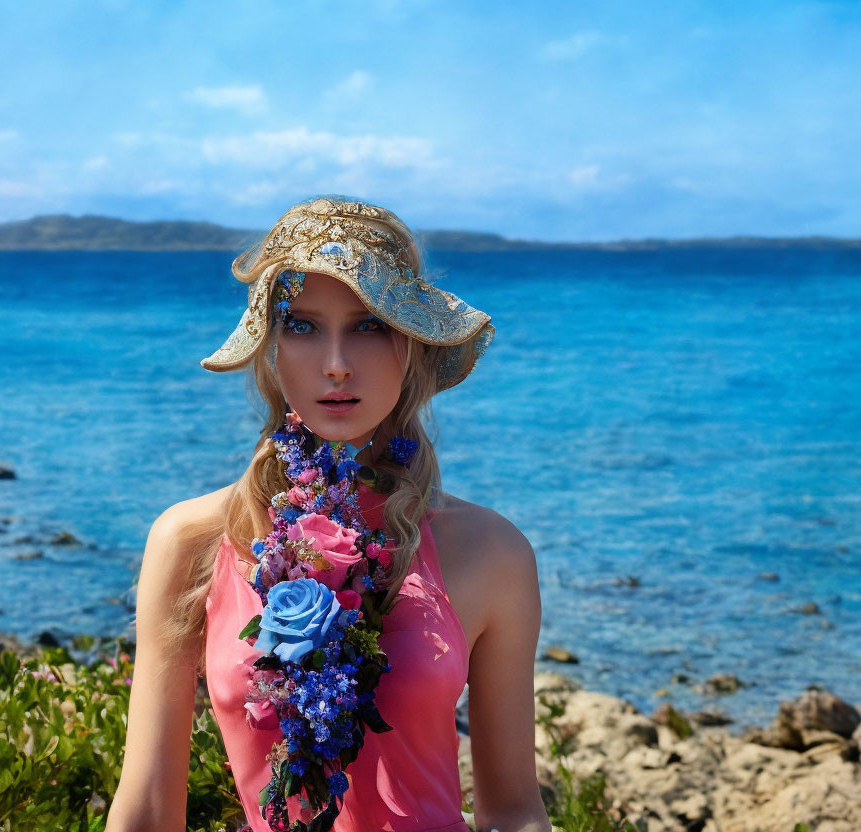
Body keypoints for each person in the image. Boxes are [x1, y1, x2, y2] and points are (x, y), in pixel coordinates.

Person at [105, 197, 551, 832]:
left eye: (369, 325)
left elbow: (512, 812)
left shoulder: (492, 552)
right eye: (303, 325)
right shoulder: (192, 542)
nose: (336, 362)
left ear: (413, 344)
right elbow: (148, 811)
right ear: (270, 346)